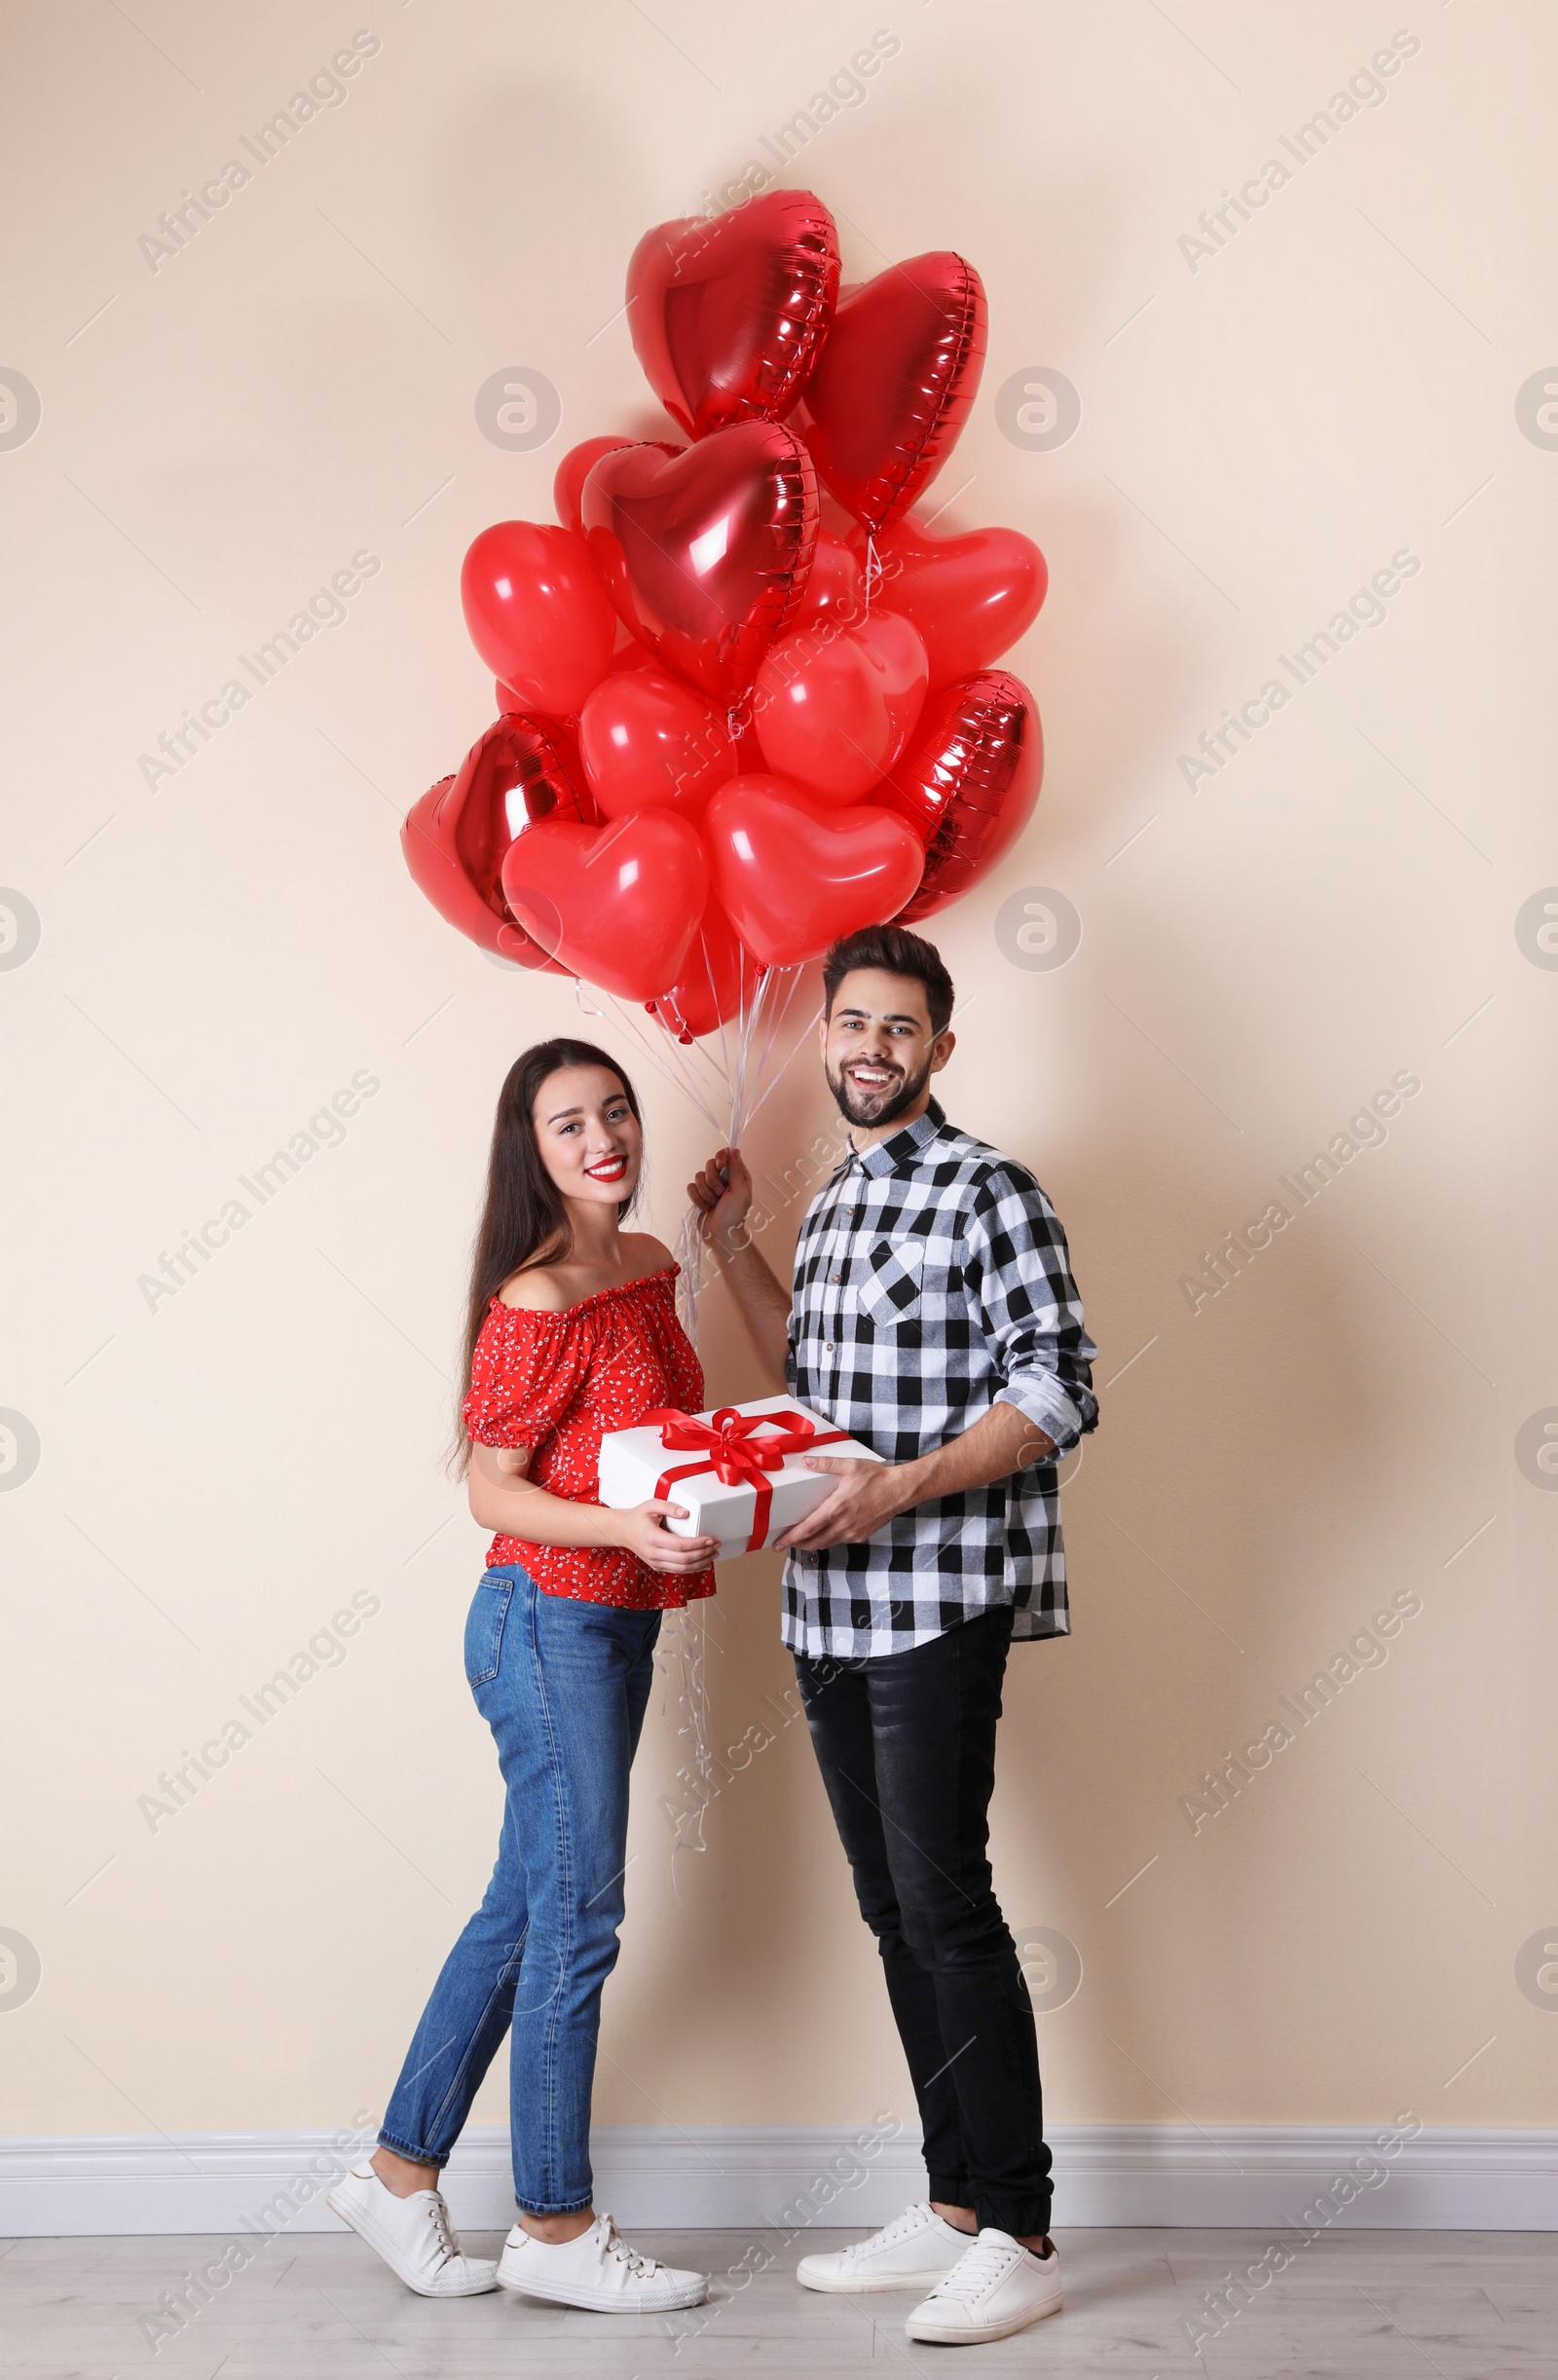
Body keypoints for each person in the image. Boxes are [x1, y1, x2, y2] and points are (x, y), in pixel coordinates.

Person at [687, 923, 1098, 2348]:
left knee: (948, 1905)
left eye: (898, 1029)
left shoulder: (992, 1192)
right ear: (830, 1037)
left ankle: (1025, 2229)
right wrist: (734, 1246)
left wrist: (905, 1484)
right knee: (889, 1911)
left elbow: (1058, 1390)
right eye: (851, 1025)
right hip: (825, 1606)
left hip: (937, 1601)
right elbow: (806, 1361)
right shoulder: (846, 1194)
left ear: (939, 1047)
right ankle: (952, 2206)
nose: (869, 1050)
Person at [329, 1038, 716, 2316]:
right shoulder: (539, 1297)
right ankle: (554, 2228)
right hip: (543, 1623)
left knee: (522, 1911)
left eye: (615, 1111)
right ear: (531, 1151)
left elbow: (645, 1451)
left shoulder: (650, 1265)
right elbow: (493, 1488)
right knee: (578, 1923)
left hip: (611, 1625)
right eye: (569, 1125)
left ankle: (394, 2178)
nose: (605, 1138)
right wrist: (626, 1531)